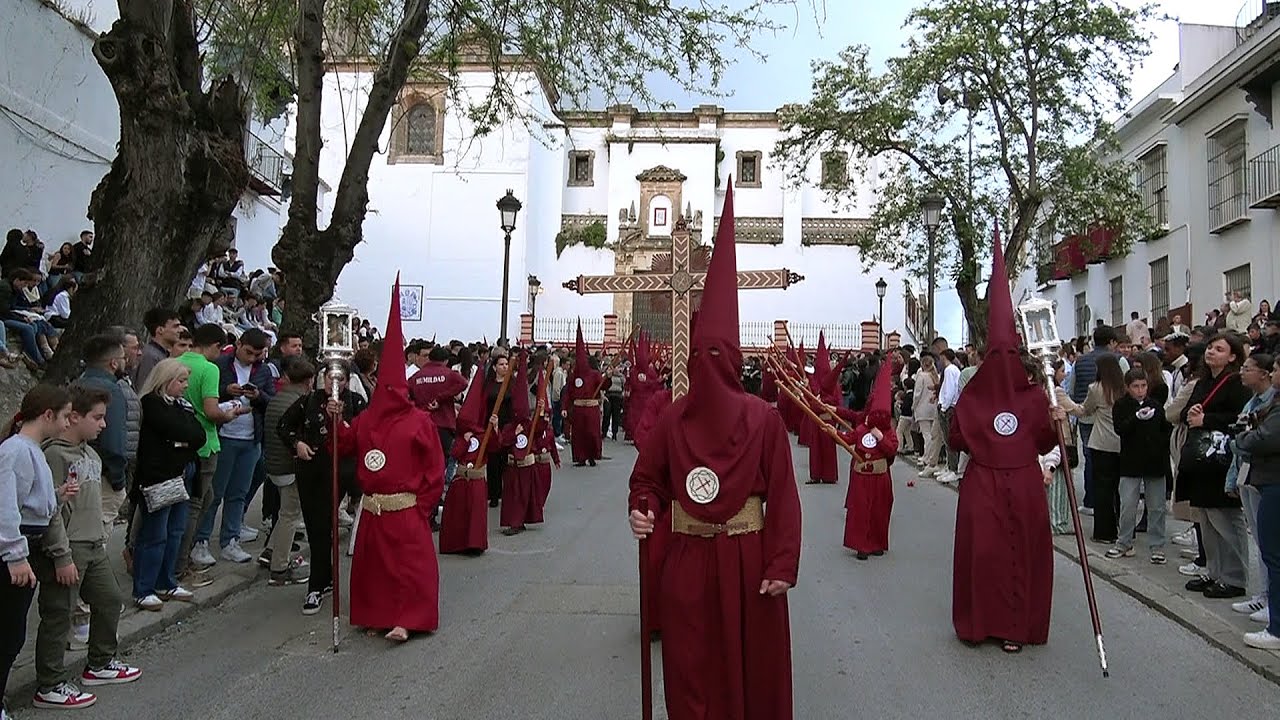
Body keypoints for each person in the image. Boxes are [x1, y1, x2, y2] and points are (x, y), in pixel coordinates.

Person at [628, 182, 802, 719]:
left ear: (733, 360)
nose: (705, 363)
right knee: (691, 671)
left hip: (749, 561)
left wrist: (782, 563)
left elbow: (784, 498)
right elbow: (647, 479)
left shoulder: (765, 420)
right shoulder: (673, 419)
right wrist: (643, 509)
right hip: (687, 557)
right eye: (698, 353)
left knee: (750, 673)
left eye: (716, 353)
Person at [951, 232, 1058, 654]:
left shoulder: (1023, 398)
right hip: (996, 482)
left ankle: (1004, 625)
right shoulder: (1023, 396)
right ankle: (989, 623)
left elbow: (1046, 441)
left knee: (1006, 552)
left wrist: (1058, 420)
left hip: (1005, 482)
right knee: (990, 552)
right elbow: (1042, 439)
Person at [333, 277, 445, 642]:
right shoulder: (366, 419)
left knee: (409, 567)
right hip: (374, 507)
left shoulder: (419, 421)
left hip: (406, 507)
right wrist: (334, 418)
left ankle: (407, 619)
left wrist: (422, 505)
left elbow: (434, 468)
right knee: (374, 567)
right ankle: (377, 615)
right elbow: (344, 445)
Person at [33, 386, 142, 709]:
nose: (103, 425)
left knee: (109, 599)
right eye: (97, 418)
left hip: (94, 545)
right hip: (68, 547)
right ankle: (50, 683)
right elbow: (51, 511)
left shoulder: (90, 454)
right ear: (74, 418)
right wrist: (61, 554)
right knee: (58, 613)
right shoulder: (54, 456)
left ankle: (100, 662)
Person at [1, 386, 73, 719]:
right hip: (14, 551)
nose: (67, 423)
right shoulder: (16, 451)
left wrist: (56, 496)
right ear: (48, 415)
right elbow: (6, 506)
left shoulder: (30, 450)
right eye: (65, 416)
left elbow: (30, 503)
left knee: (11, 633)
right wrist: (15, 555)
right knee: (7, 633)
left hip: (25, 545)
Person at [131, 359, 206, 609]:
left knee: (175, 531)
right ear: (166, 380)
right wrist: (181, 440)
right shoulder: (152, 403)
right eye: (181, 381)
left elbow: (198, 435)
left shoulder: (181, 405)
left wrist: (181, 441)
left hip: (183, 474)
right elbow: (178, 431)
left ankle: (166, 581)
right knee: (155, 534)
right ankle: (144, 587)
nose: (185, 386)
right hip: (160, 477)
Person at [1111, 369, 1172, 564]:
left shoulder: (1155, 405)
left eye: (1143, 386)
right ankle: (1124, 542)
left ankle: (1157, 546)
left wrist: (1160, 446)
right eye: (1135, 386)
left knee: (1157, 507)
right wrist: (1136, 418)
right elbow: (1120, 429)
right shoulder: (1121, 405)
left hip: (1155, 462)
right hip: (1130, 462)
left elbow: (1165, 429)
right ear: (1127, 387)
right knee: (1128, 504)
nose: (1140, 390)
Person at [838, 363, 897, 559]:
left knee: (879, 511)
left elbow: (892, 450)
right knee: (860, 511)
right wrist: (834, 433)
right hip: (861, 475)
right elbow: (849, 439)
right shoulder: (862, 429)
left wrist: (880, 438)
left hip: (880, 476)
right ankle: (861, 545)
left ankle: (876, 543)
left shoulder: (888, 432)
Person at [564, 324, 603, 466]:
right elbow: (568, 392)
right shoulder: (573, 376)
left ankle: (592, 456)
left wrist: (608, 377)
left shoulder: (595, 374)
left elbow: (603, 386)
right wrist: (564, 407)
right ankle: (580, 457)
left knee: (592, 433)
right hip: (579, 409)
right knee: (579, 434)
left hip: (592, 408)